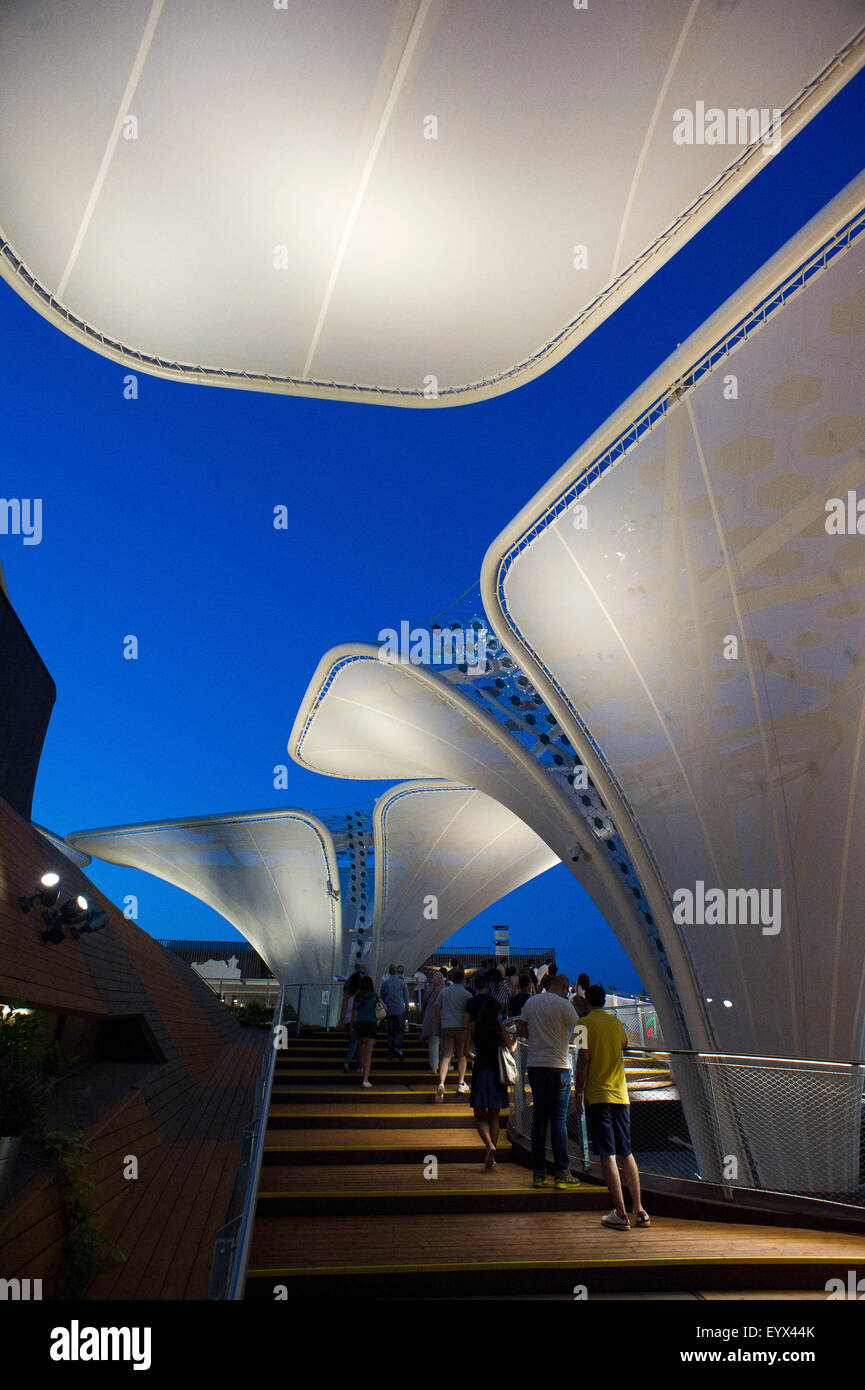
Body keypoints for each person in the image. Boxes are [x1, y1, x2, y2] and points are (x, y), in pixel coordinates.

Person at [573, 983, 649, 1230]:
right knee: (626, 1152)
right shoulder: (616, 1023)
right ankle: (639, 1209)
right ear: (605, 1001)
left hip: (598, 1094)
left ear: (586, 1002)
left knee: (608, 1155)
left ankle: (620, 1213)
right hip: (621, 1094)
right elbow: (624, 1045)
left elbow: (582, 1058)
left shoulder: (583, 1024)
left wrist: (579, 1091)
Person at [516, 974, 582, 1189]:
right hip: (559, 1066)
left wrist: (534, 1037)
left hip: (536, 1066)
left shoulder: (531, 1002)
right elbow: (580, 1030)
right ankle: (562, 1174)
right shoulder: (564, 1005)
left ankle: (539, 1173)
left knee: (539, 1120)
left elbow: (521, 1028)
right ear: (564, 987)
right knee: (559, 1119)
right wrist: (573, 1043)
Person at [464, 974, 517, 1169]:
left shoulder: (474, 1027)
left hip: (481, 1071)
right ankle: (493, 1155)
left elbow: (465, 1051)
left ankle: (489, 1145)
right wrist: (517, 1035)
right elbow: (511, 1048)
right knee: (494, 1115)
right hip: (497, 1072)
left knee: (479, 1114)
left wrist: (475, 1058)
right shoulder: (498, 1026)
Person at [435, 967, 472, 1100]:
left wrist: (439, 1022)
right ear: (463, 980)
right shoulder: (467, 995)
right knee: (461, 1054)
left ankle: (441, 1083)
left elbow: (437, 1008)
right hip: (461, 1027)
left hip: (446, 1026)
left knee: (446, 1056)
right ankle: (461, 1082)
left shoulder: (444, 992)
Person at [352, 976, 383, 1088]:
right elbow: (384, 1008)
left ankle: (360, 1067)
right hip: (371, 1023)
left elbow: (354, 1011)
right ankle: (365, 1079)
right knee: (368, 1054)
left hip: (360, 1023)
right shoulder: (374, 996)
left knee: (360, 1046)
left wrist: (352, 1025)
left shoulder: (358, 996)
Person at [380, 963, 410, 1060]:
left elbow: (382, 997)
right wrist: (407, 1008)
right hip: (399, 1010)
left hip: (389, 1010)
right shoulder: (402, 982)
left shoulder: (385, 983)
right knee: (399, 1030)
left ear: (389, 971)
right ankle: (397, 1048)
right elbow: (406, 996)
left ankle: (390, 1051)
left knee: (390, 1031)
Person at [419, 969, 445, 1073]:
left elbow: (424, 1003)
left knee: (433, 1044)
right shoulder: (443, 989)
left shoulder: (429, 989)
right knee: (442, 1044)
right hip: (441, 1019)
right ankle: (442, 1064)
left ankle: (434, 1066)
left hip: (430, 1019)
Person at [341, 967, 367, 1071]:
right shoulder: (360, 996)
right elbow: (355, 1011)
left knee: (354, 1043)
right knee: (357, 1044)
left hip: (348, 1021)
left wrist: (341, 1021)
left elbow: (343, 1009)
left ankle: (358, 1064)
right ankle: (353, 1064)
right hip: (357, 1021)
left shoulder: (347, 995)